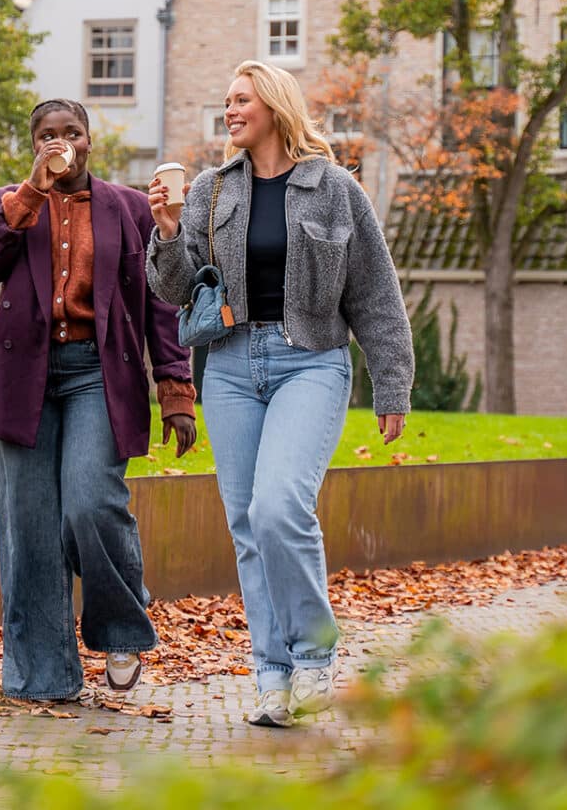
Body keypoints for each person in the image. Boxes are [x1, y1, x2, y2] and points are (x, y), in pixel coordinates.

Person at [146, 60, 414, 728]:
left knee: (277, 507)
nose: (229, 109)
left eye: (241, 99)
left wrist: (393, 382)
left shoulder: (334, 189)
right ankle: (271, 674)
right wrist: (171, 231)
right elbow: (174, 291)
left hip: (311, 363)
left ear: (273, 105)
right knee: (245, 525)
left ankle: (315, 651)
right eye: (226, 99)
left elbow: (375, 292)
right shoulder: (209, 191)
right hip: (231, 367)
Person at [0, 99, 199, 701]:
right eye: (47, 135)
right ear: (35, 145)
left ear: (90, 141)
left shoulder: (128, 208)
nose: (60, 142)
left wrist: (174, 388)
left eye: (71, 132)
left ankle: (120, 630)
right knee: (30, 529)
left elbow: (161, 305)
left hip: (98, 372)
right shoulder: (4, 204)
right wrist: (29, 196)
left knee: (91, 505)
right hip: (23, 381)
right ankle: (43, 675)